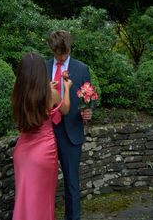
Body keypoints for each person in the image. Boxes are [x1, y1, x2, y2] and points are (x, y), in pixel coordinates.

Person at [11, 52, 72, 220]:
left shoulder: (18, 94)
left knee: (25, 199)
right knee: (42, 201)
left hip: (22, 152)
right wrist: (66, 89)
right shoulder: (50, 94)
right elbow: (65, 109)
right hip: (43, 152)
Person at [46, 30, 92, 220]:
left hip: (71, 134)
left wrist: (89, 111)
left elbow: (88, 97)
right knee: (43, 183)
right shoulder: (42, 67)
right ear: (51, 49)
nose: (62, 57)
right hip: (45, 133)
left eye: (64, 53)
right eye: (58, 53)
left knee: (71, 182)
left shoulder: (82, 69)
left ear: (70, 48)